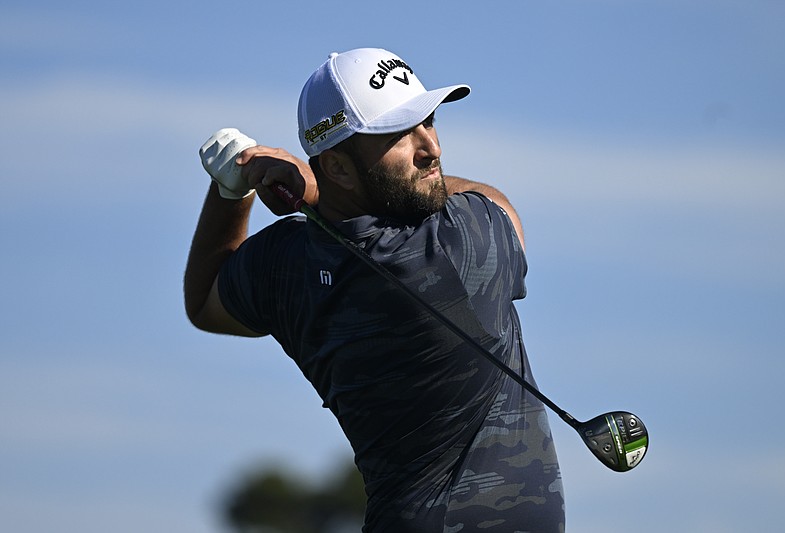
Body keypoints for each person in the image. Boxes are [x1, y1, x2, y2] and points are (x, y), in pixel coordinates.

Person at [185, 48, 565, 532]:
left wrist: (229, 190)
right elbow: (497, 201)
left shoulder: (283, 264)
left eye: (429, 122)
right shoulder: (458, 245)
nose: (432, 148)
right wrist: (317, 193)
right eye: (402, 134)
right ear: (338, 168)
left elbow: (204, 303)